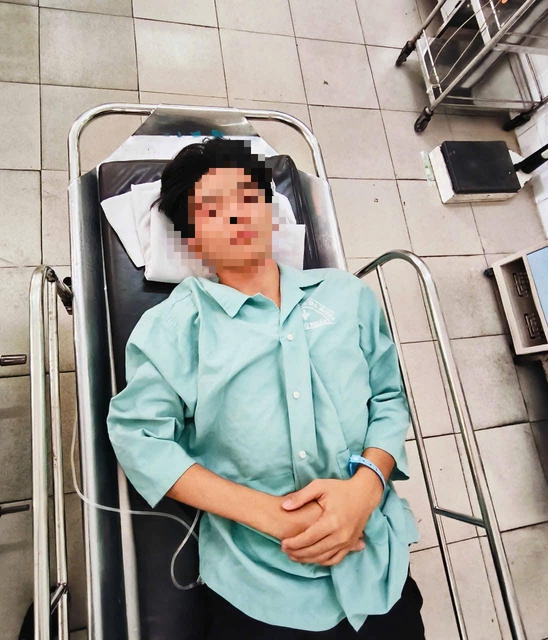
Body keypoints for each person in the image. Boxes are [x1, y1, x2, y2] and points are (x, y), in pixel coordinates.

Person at [107, 138, 425, 639]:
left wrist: (366, 488)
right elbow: (138, 438)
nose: (235, 214)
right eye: (212, 208)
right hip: (258, 583)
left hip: (374, 563)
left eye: (245, 197)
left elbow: (388, 398)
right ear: (191, 237)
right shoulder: (173, 328)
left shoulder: (346, 296)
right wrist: (271, 516)